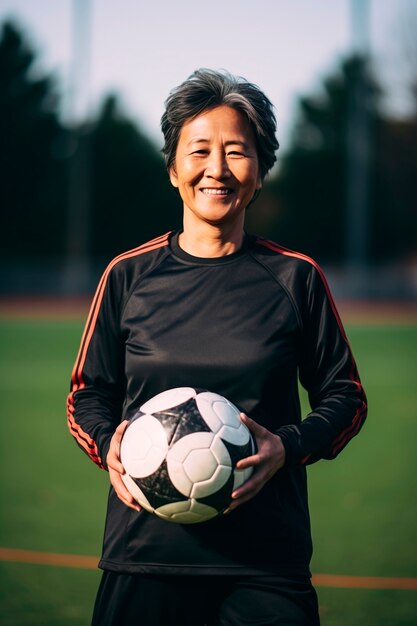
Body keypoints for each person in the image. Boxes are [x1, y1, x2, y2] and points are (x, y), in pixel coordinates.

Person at [67, 68, 367, 626]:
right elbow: (88, 393)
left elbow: (346, 396)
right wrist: (108, 444)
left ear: (261, 171)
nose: (217, 169)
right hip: (145, 556)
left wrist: (289, 445)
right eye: (199, 150)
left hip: (265, 564)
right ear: (174, 168)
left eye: (237, 151)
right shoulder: (128, 276)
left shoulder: (295, 277)